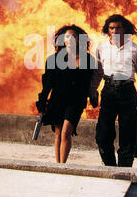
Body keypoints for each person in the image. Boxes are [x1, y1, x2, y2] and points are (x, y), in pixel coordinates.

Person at [89, 14, 137, 167]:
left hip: (127, 92)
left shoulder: (135, 49)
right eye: (111, 28)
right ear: (107, 30)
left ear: (125, 29)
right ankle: (109, 166)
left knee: (128, 135)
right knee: (102, 135)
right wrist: (92, 91)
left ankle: (124, 170)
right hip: (108, 91)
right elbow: (97, 73)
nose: (115, 31)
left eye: (118, 27)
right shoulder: (101, 47)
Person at [36, 25, 97, 164]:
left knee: (66, 132)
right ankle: (58, 165)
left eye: (74, 36)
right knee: (58, 134)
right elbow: (47, 83)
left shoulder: (88, 60)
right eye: (67, 36)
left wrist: (93, 96)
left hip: (76, 101)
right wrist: (42, 101)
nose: (70, 40)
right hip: (57, 100)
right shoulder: (53, 59)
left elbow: (90, 83)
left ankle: (63, 165)